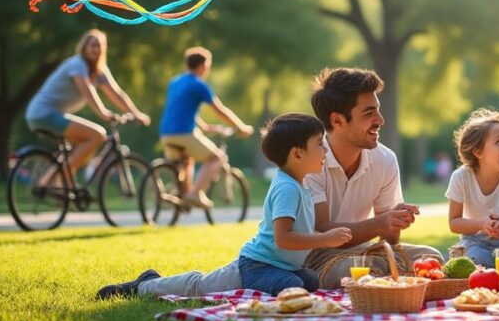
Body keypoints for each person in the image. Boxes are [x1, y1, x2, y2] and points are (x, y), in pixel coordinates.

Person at [97, 113, 353, 299]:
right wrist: (324, 239)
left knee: (309, 281)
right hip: (258, 265)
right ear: (297, 154)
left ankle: (151, 281)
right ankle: (144, 286)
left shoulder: (301, 184)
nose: (325, 152)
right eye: (320, 144)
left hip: (282, 266)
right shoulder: (287, 188)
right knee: (201, 287)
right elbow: (283, 238)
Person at [303, 68, 443, 288]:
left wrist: (394, 223)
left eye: (377, 111)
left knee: (431, 258)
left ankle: (382, 284)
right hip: (315, 257)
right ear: (338, 120)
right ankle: (379, 284)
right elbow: (322, 228)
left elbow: (390, 243)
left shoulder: (384, 159)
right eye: (369, 113)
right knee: (364, 269)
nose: (380, 120)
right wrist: (381, 223)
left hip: (364, 251)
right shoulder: (310, 161)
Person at [25, 30, 151, 177]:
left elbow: (117, 94)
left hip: (52, 114)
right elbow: (87, 91)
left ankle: (61, 184)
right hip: (44, 114)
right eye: (92, 45)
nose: (96, 49)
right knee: (98, 135)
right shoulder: (77, 64)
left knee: (85, 148)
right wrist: (103, 113)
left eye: (99, 46)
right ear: (84, 47)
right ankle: (54, 178)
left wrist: (136, 114)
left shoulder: (99, 70)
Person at [159, 47, 254, 209]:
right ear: (203, 66)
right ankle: (195, 194)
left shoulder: (175, 82)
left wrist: (203, 126)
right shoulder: (199, 84)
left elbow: (181, 109)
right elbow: (220, 110)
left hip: (166, 134)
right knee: (217, 158)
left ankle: (183, 196)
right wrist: (241, 127)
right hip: (184, 133)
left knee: (187, 161)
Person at [446, 109, 499, 268]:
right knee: (480, 264)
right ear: (478, 151)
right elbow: (454, 223)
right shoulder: (461, 177)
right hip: (475, 243)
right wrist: (481, 223)